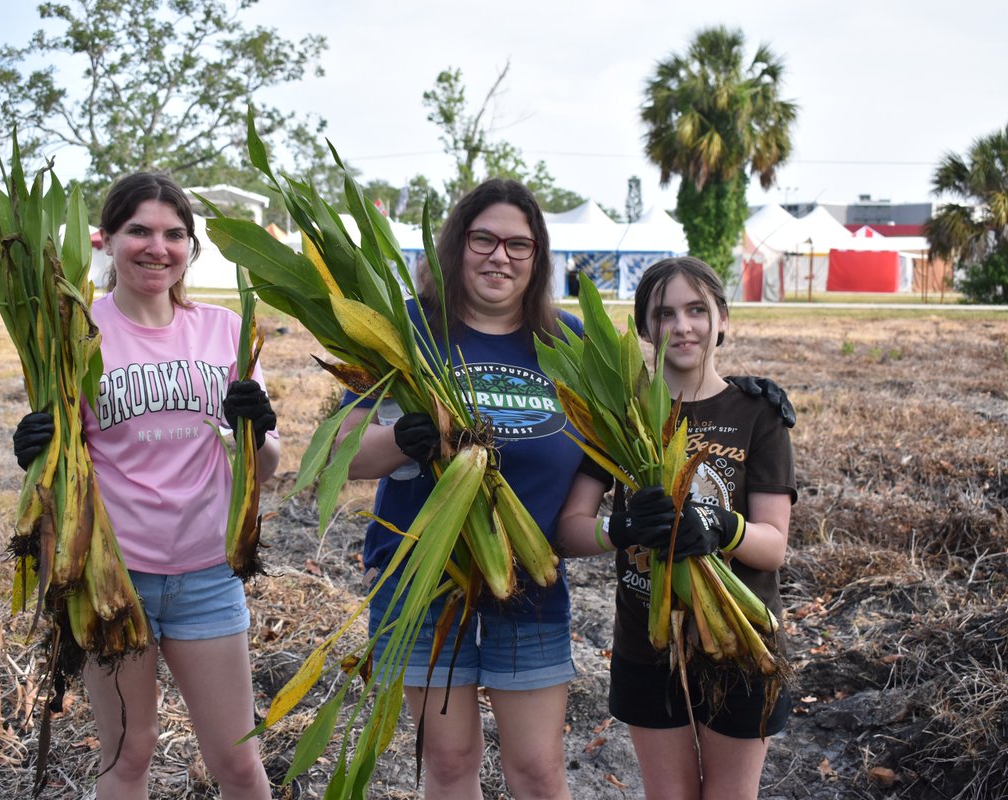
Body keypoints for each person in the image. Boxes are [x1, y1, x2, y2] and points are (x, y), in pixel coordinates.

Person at [11, 173, 280, 800]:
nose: (158, 248)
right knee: (129, 753)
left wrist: (259, 431)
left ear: (190, 246)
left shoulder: (224, 330)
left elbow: (265, 469)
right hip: (113, 577)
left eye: (174, 234)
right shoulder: (75, 335)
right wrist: (33, 453)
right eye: (140, 231)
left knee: (239, 762)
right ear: (107, 239)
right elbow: (63, 466)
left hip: (207, 576)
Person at [336, 178, 585, 799]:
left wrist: (739, 397)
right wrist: (402, 439)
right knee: (448, 763)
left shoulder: (568, 342)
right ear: (456, 244)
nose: (500, 257)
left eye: (518, 245)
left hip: (528, 582)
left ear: (537, 257)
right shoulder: (406, 332)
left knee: (538, 769)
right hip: (422, 582)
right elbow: (341, 456)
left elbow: (625, 428)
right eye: (483, 240)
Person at [556, 255, 796, 800]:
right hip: (648, 646)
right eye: (665, 314)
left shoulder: (757, 413)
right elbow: (568, 532)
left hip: (741, 645)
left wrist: (721, 525)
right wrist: (621, 528)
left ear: (722, 318)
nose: (683, 326)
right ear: (645, 329)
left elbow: (774, 547)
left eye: (697, 310)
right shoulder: (619, 418)